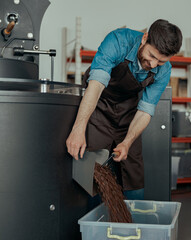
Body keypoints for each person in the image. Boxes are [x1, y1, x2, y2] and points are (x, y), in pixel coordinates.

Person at [66, 19, 182, 200]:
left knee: (133, 172)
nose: (153, 65)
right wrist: (78, 129)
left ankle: (130, 225)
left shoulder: (164, 70)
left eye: (160, 61)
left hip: (129, 112)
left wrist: (127, 142)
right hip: (98, 105)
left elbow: (145, 111)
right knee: (93, 170)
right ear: (145, 38)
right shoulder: (118, 42)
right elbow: (95, 87)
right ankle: (94, 222)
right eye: (151, 56)